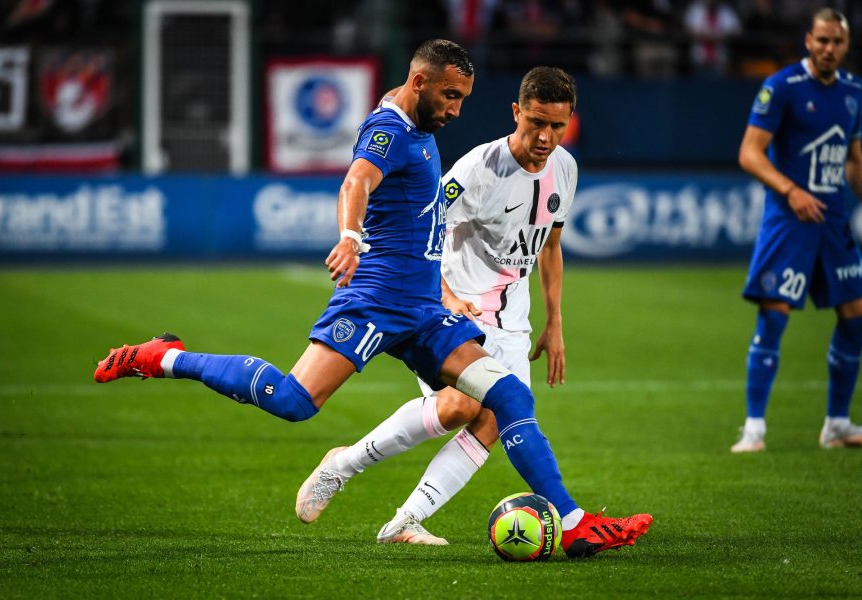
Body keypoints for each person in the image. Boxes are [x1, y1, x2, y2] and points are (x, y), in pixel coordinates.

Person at [93, 40, 651, 558]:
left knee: (506, 398)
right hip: (376, 300)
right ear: (419, 81)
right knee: (292, 401)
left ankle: (573, 521)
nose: (456, 109)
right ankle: (164, 357)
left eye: (462, 98)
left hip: (425, 312)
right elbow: (356, 181)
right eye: (450, 95)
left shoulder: (415, 116)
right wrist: (350, 236)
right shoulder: (390, 130)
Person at [295, 66, 652, 555]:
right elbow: (427, 233)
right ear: (516, 113)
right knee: (467, 406)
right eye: (535, 124)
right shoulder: (477, 170)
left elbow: (551, 244)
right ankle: (345, 465)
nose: (545, 137)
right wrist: (444, 295)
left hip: (514, 320)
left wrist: (556, 322)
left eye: (557, 126)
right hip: (457, 311)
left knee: (488, 422)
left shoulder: (565, 168)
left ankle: (403, 519)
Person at [732, 8, 862, 453]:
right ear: (808, 40)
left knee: (855, 315)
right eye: (822, 40)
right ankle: (754, 429)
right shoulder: (782, 87)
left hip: (834, 222)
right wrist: (791, 190)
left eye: (837, 42)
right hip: (790, 219)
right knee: (774, 315)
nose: (829, 49)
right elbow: (750, 153)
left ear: (846, 45)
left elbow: (855, 159)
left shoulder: (853, 91)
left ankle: (837, 424)